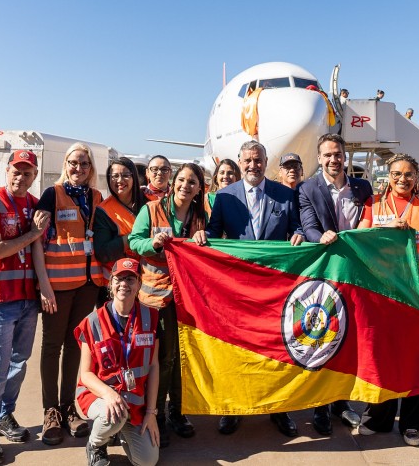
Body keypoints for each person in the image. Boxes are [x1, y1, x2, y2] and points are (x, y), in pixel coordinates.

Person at [207, 140, 305, 437]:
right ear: (240, 162)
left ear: (266, 162)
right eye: (247, 160)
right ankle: (234, 408)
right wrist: (203, 234)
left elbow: (297, 227)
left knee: (277, 350)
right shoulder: (224, 197)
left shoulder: (285, 195)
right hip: (238, 289)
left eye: (258, 160)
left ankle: (279, 409)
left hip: (276, 288)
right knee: (237, 348)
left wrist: (299, 234)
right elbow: (214, 233)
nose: (253, 165)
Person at [356, 153, 419, 447]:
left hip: (418, 295)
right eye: (396, 174)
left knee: (418, 360)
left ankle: (414, 423)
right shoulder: (374, 204)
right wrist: (384, 228)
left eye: (408, 174)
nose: (402, 179)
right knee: (382, 359)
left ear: (416, 177)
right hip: (383, 295)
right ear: (388, 175)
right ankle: (378, 418)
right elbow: (358, 239)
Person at [0, 150, 50, 466]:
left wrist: (43, 288)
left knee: (18, 362)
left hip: (27, 300)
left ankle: (5, 416)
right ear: (7, 172)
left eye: (27, 173)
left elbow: (40, 250)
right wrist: (32, 233)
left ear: (34, 176)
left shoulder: (34, 206)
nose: (21, 177)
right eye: (16, 171)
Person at [33, 143, 108, 445]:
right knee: (52, 346)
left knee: (75, 346)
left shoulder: (97, 197)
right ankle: (50, 410)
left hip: (87, 284)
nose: (79, 169)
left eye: (85, 164)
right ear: (66, 164)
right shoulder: (53, 194)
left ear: (91, 169)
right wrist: (44, 285)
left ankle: (68, 408)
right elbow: (37, 242)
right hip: (57, 286)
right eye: (74, 163)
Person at [129, 163, 208, 447]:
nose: (186, 186)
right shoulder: (151, 210)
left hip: (186, 299)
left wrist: (204, 239)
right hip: (155, 299)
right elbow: (134, 241)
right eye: (182, 180)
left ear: (200, 189)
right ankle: (158, 414)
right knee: (161, 360)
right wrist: (154, 243)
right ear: (174, 183)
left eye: (192, 182)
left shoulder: (201, 216)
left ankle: (178, 410)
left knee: (181, 358)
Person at [297, 133, 372, 434]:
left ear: (345, 156)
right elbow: (308, 226)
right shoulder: (308, 188)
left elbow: (372, 221)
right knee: (322, 338)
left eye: (337, 154)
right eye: (327, 155)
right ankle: (320, 406)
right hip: (325, 276)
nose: (333, 159)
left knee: (349, 341)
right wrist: (320, 237)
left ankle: (342, 401)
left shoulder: (363, 187)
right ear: (319, 158)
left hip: (355, 275)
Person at [75, 257, 160, 466]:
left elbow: (154, 366)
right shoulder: (92, 321)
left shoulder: (152, 317)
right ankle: (96, 444)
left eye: (130, 279)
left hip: (133, 402)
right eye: (119, 279)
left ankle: (120, 430)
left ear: (139, 283)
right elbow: (85, 374)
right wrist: (108, 393)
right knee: (113, 414)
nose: (124, 284)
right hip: (97, 395)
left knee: (147, 461)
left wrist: (151, 413)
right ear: (110, 284)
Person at [93, 157, 146, 298]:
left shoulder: (149, 202)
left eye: (125, 175)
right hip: (115, 285)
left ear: (134, 177)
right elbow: (103, 253)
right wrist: (133, 239)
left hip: (147, 283)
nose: (119, 180)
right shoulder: (104, 210)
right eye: (114, 176)